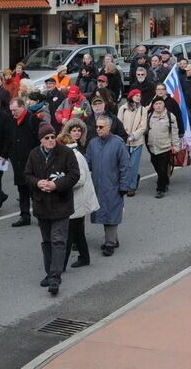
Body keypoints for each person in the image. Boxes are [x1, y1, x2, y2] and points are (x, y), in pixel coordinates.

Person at [24, 126, 79, 295]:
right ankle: (49, 273)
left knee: (58, 240)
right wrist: (37, 183)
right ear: (41, 140)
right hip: (42, 204)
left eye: (52, 137)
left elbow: (74, 175)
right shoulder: (34, 154)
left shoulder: (66, 153)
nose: (50, 140)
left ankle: (55, 277)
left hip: (61, 203)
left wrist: (56, 184)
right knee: (47, 241)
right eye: (46, 137)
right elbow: (27, 175)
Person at [86, 115, 129, 256]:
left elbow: (124, 166)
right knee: (104, 213)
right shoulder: (93, 143)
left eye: (101, 127)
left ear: (109, 128)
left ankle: (109, 243)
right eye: (96, 126)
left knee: (111, 213)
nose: (97, 129)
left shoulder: (118, 143)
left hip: (113, 185)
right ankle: (113, 239)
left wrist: (124, 185)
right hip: (98, 185)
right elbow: (88, 163)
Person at [58, 119, 97, 267]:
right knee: (78, 231)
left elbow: (79, 179)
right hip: (76, 198)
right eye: (73, 130)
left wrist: (61, 185)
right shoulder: (72, 153)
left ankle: (60, 265)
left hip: (77, 199)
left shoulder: (74, 155)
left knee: (69, 233)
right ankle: (85, 258)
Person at [5, 98, 42, 227]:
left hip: (32, 163)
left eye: (15, 110)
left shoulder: (33, 120)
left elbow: (41, 141)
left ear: (22, 107)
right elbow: (9, 140)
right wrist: (7, 155)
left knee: (35, 191)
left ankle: (41, 216)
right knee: (22, 190)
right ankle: (24, 216)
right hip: (18, 163)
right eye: (11, 110)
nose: (13, 113)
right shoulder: (12, 121)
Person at [144, 97, 177, 198]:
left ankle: (160, 189)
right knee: (157, 166)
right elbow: (145, 130)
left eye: (160, 103)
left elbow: (174, 132)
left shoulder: (170, 116)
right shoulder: (149, 116)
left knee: (162, 169)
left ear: (164, 105)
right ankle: (165, 180)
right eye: (156, 104)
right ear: (153, 106)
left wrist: (175, 146)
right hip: (153, 148)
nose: (158, 106)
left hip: (165, 148)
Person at [117, 90, 147, 196]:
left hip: (137, 141)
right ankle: (125, 183)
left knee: (133, 165)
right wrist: (125, 134)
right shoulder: (123, 108)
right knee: (125, 165)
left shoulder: (143, 110)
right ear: (131, 96)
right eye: (136, 95)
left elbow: (143, 126)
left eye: (140, 95)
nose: (138, 97)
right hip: (124, 141)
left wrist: (134, 135)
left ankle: (132, 186)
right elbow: (118, 123)